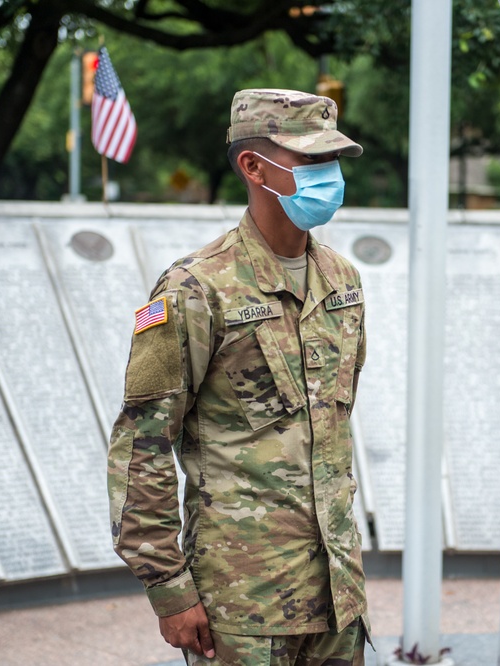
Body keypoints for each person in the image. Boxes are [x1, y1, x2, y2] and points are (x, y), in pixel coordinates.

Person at [107, 88, 369, 665]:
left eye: (334, 162)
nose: (329, 176)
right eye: (312, 161)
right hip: (242, 608)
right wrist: (167, 588)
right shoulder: (195, 288)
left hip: (337, 596)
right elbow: (142, 445)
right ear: (254, 166)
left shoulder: (342, 281)